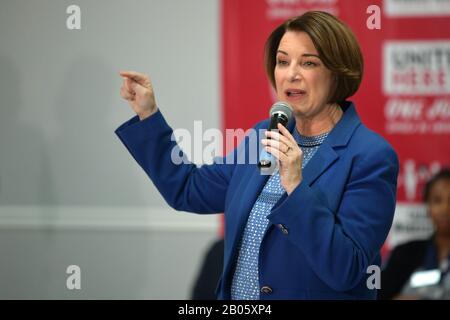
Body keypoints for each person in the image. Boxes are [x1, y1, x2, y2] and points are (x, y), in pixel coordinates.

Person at [115, 11, 399, 300]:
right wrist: (148, 115)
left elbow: (346, 269)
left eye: (309, 62)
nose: (291, 74)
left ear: (339, 73)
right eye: (283, 61)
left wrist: (296, 187)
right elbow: (187, 190)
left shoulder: (369, 156)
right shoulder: (263, 135)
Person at [379, 169, 450, 300]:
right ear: (427, 206)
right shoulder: (404, 254)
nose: (445, 208)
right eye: (437, 200)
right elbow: (380, 295)